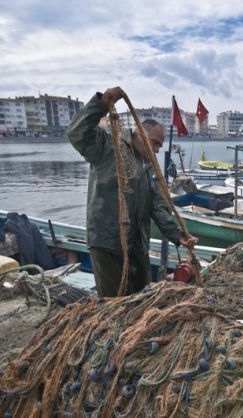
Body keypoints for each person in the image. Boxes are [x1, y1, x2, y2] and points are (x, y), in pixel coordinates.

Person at [67, 86, 198, 297]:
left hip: (136, 245)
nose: (156, 150)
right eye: (154, 143)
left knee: (139, 300)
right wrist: (100, 104)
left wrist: (178, 235)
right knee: (113, 302)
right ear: (139, 134)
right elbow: (76, 132)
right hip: (108, 243)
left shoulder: (148, 167)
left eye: (159, 146)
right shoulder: (108, 147)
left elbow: (158, 206)